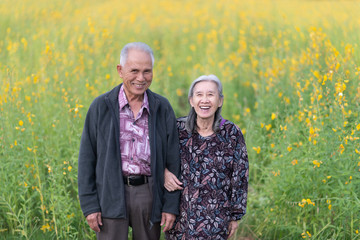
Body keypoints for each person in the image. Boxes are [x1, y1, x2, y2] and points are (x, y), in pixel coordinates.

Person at [78, 42, 181, 240]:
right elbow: (86, 159)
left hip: (149, 195)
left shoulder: (162, 107)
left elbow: (173, 159)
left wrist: (170, 205)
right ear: (120, 70)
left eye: (147, 71)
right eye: (134, 71)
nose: (141, 78)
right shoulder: (101, 107)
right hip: (110, 193)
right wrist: (90, 206)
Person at [164, 74, 249, 240]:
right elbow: (156, 156)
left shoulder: (231, 133)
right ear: (191, 100)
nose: (205, 100)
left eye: (211, 95)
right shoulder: (177, 129)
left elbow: (240, 175)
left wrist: (235, 216)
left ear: (220, 101)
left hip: (217, 220)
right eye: (199, 95)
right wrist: (164, 173)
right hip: (182, 218)